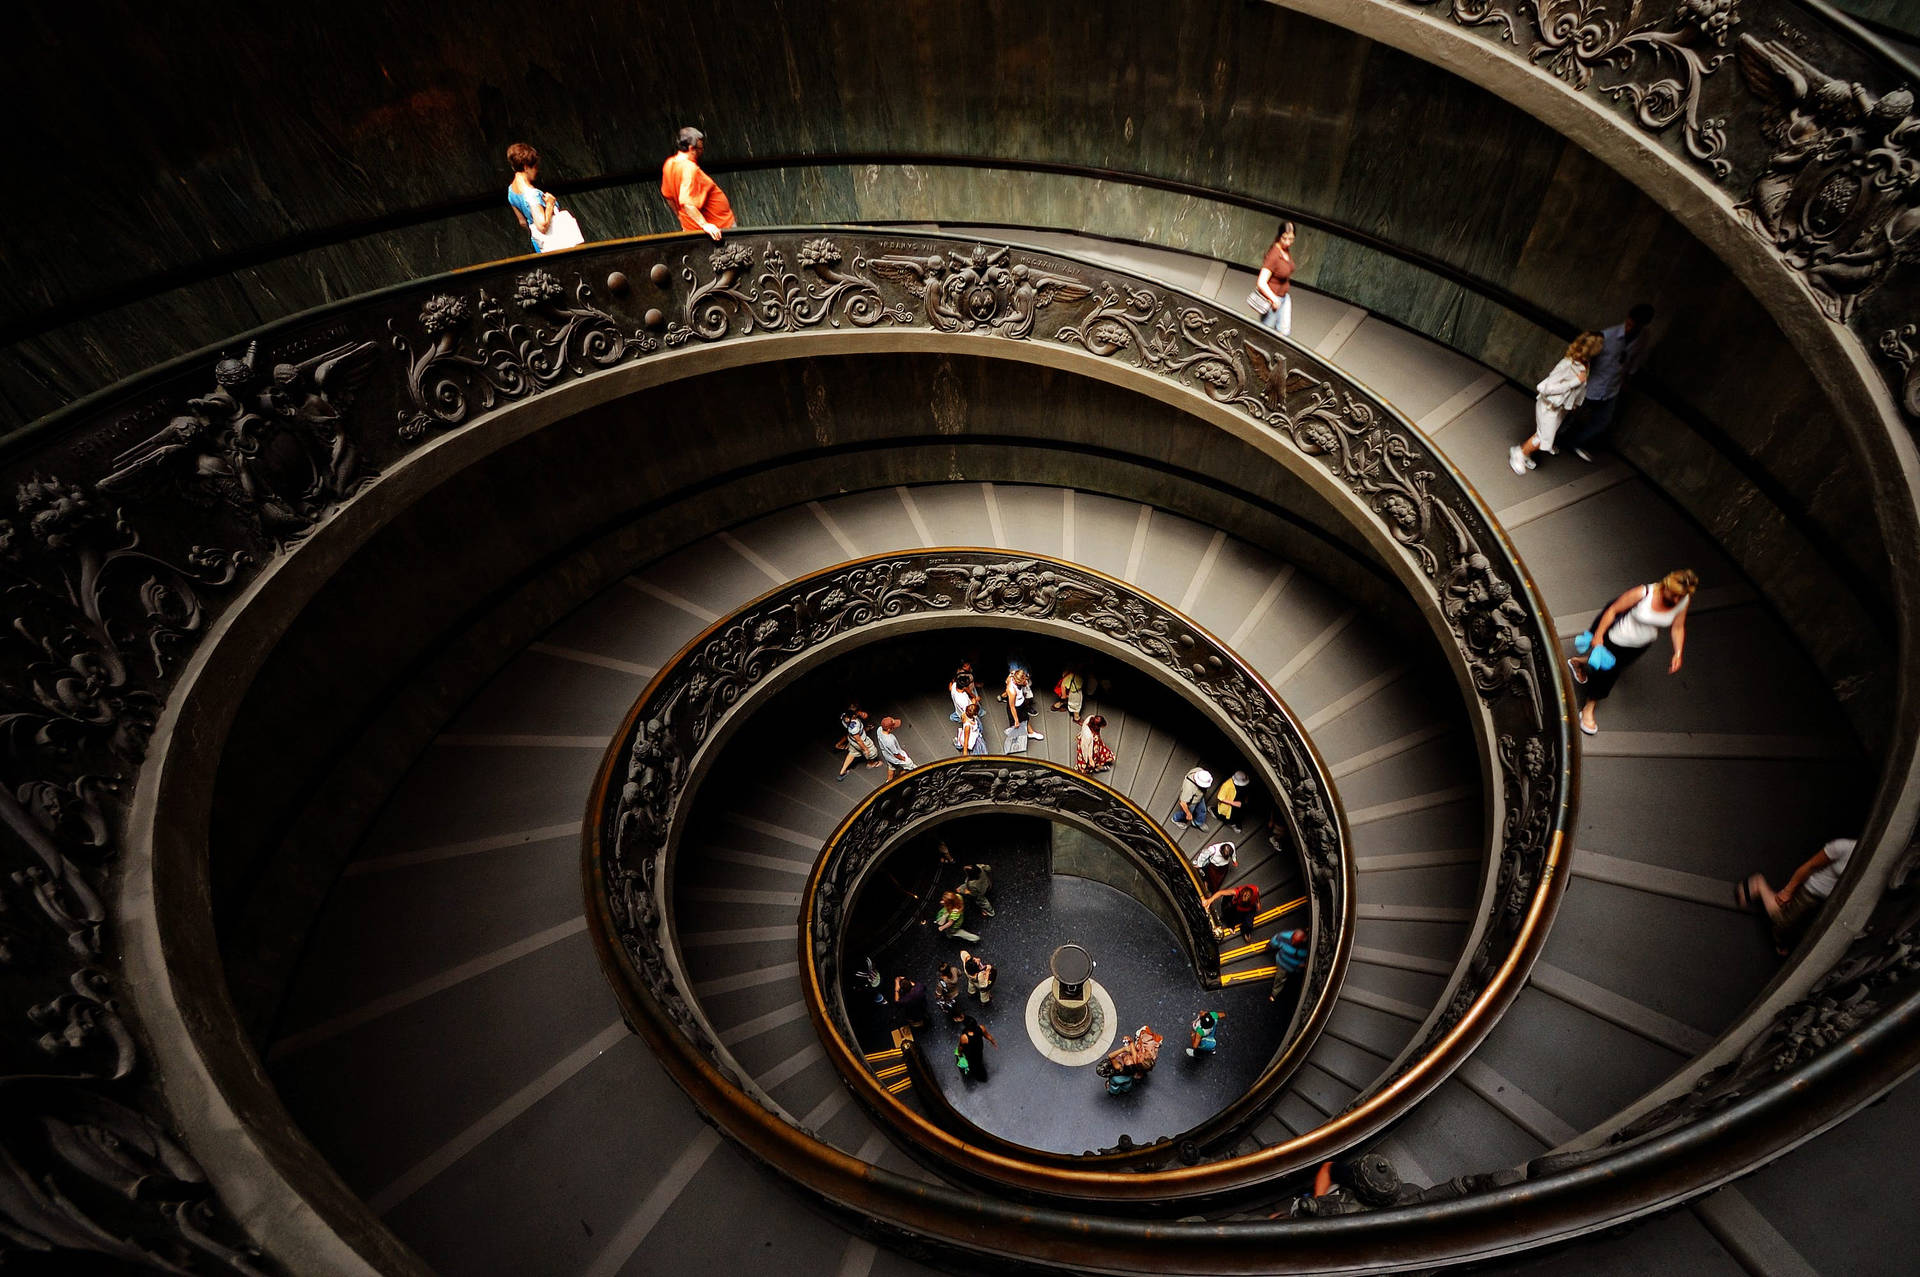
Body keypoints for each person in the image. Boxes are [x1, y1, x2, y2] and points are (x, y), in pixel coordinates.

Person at [1566, 569, 1697, 735]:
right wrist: (1598, 635)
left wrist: (1678, 652)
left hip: (1640, 646)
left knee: (1616, 667)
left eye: (1681, 596)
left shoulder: (1682, 601)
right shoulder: (1644, 593)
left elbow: (1678, 627)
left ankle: (1579, 662)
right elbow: (1612, 609)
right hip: (1616, 639)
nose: (1676, 600)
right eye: (1674, 595)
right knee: (1608, 674)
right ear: (1666, 586)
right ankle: (1588, 708)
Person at [1558, 304, 1656, 462]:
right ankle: (1551, 438)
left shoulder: (1643, 338)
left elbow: (1634, 360)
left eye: (1634, 326)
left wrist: (1627, 379)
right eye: (1629, 323)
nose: (1629, 328)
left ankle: (1574, 442)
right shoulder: (1608, 336)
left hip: (1612, 388)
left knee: (1603, 421)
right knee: (1569, 413)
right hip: (1592, 384)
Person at [1509, 332, 1606, 475]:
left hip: (1561, 407)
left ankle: (1526, 452)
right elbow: (1546, 388)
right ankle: (1520, 453)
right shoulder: (1567, 365)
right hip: (1549, 407)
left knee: (1546, 435)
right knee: (1543, 438)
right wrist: (1575, 381)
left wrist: (1575, 402)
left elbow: (1580, 388)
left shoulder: (1586, 364)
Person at [1738, 838, 1856, 954]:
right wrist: (1787, 891)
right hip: (1811, 890)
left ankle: (1782, 936)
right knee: (1782, 921)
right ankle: (1759, 884)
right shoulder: (1843, 846)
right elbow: (1809, 866)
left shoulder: (1865, 863)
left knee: (1804, 929)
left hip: (1829, 900)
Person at [504, 142, 586, 253]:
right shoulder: (531, 193)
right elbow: (542, 225)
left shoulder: (511, 191)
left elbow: (522, 222)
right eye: (535, 166)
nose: (537, 171)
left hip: (541, 245)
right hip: (558, 244)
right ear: (526, 167)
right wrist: (550, 204)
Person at [660, 126, 735, 241]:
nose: (702, 150)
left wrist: (681, 217)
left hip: (694, 230)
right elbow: (687, 203)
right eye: (700, 148)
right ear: (691, 148)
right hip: (718, 232)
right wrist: (705, 225)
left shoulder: (669, 164)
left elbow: (668, 196)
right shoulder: (689, 169)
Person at [1251, 221, 1297, 338]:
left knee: (1284, 333)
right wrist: (1273, 299)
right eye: (1285, 238)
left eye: (1291, 239)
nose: (1287, 242)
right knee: (1265, 334)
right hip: (1272, 300)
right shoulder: (1274, 255)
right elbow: (1261, 282)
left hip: (1284, 298)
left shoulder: (1285, 251)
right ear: (1280, 236)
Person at [1002, 664, 1043, 743]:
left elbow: (1011, 675)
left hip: (1021, 703)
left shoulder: (1014, 673)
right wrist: (1016, 720)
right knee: (1015, 724)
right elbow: (1012, 706)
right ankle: (1016, 739)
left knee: (1025, 718)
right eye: (1023, 682)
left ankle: (1031, 732)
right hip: (1015, 707)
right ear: (1018, 682)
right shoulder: (1011, 690)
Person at [837, 704, 880, 778]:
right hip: (860, 741)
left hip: (851, 740)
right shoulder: (855, 726)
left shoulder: (844, 717)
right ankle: (871, 764)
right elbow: (859, 740)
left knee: (852, 753)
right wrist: (865, 749)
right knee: (872, 752)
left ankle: (842, 771)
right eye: (856, 713)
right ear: (854, 715)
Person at [1268, 928, 1308, 1002]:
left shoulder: (1308, 947)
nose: (1292, 943)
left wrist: (1305, 964)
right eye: (1292, 940)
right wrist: (1268, 947)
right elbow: (1273, 942)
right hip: (1283, 965)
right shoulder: (1283, 937)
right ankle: (1274, 993)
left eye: (1295, 943)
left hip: (1298, 969)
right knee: (1279, 979)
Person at [956, 1015, 997, 1080]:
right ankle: (980, 1069)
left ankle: (977, 1074)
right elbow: (988, 1036)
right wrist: (993, 1042)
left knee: (972, 1063)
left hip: (971, 1053)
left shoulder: (965, 1037)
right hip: (979, 1048)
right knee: (979, 1059)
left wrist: (959, 1053)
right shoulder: (981, 1028)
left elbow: (961, 1047)